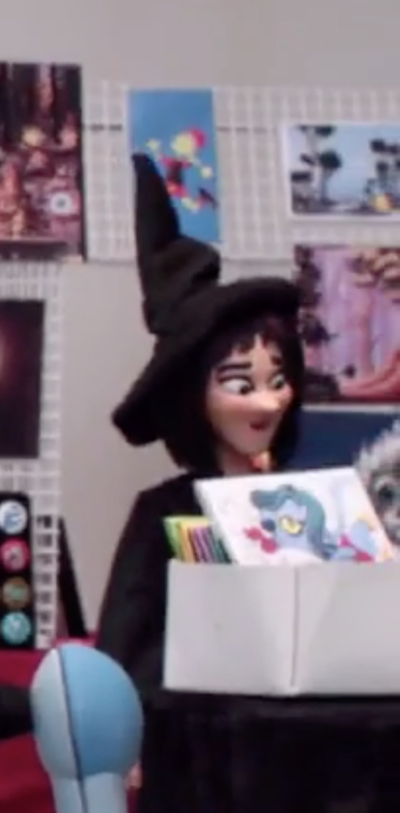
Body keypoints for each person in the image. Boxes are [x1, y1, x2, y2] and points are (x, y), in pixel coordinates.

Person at [98, 153, 306, 691]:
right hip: (202, 726)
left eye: (278, 381)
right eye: (240, 385)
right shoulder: (165, 512)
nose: (267, 404)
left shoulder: (312, 503)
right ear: (192, 396)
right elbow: (125, 651)